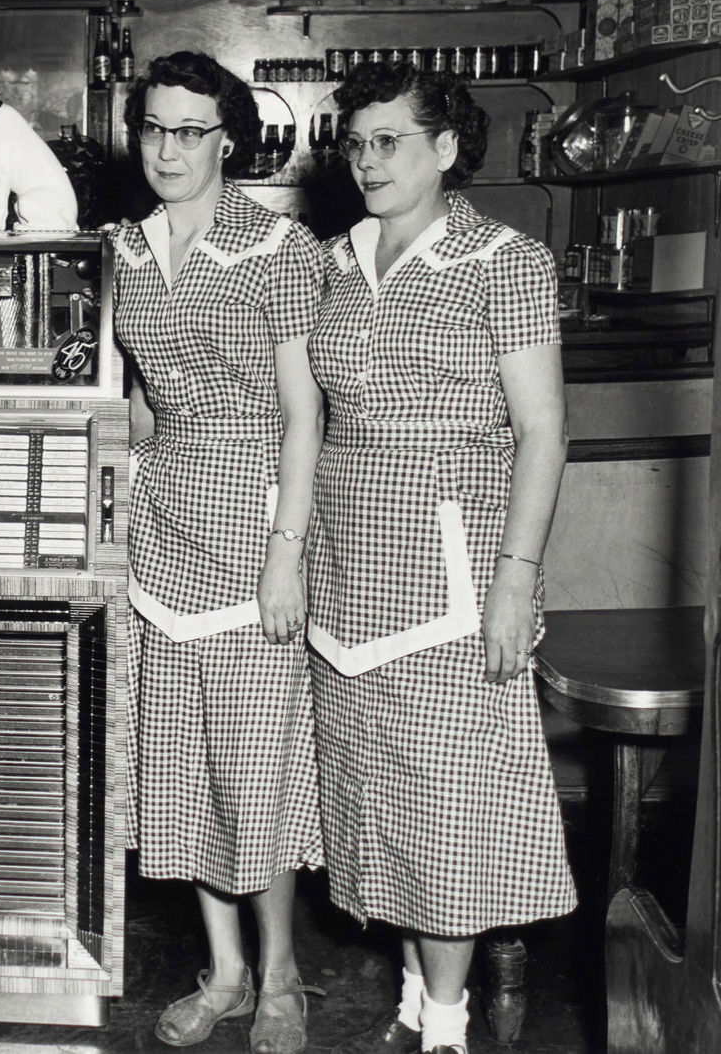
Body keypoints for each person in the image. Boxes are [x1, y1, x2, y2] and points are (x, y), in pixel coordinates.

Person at [306, 62, 575, 1054]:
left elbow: (542, 431)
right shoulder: (331, 260)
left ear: (447, 146)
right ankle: (418, 994)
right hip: (345, 567)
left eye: (390, 141)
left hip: (451, 571)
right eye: (356, 143)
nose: (366, 161)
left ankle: (448, 1028)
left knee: (447, 800)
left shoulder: (503, 260)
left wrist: (517, 577)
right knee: (376, 787)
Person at [112, 51, 327, 1053]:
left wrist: (286, 550)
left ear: (227, 140)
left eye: (189, 130)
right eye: (153, 127)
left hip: (252, 520)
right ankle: (227, 972)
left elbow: (303, 414)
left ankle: (281, 976)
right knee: (184, 757)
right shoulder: (122, 247)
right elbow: (141, 401)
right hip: (162, 527)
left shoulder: (276, 244)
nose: (168, 148)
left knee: (256, 763)